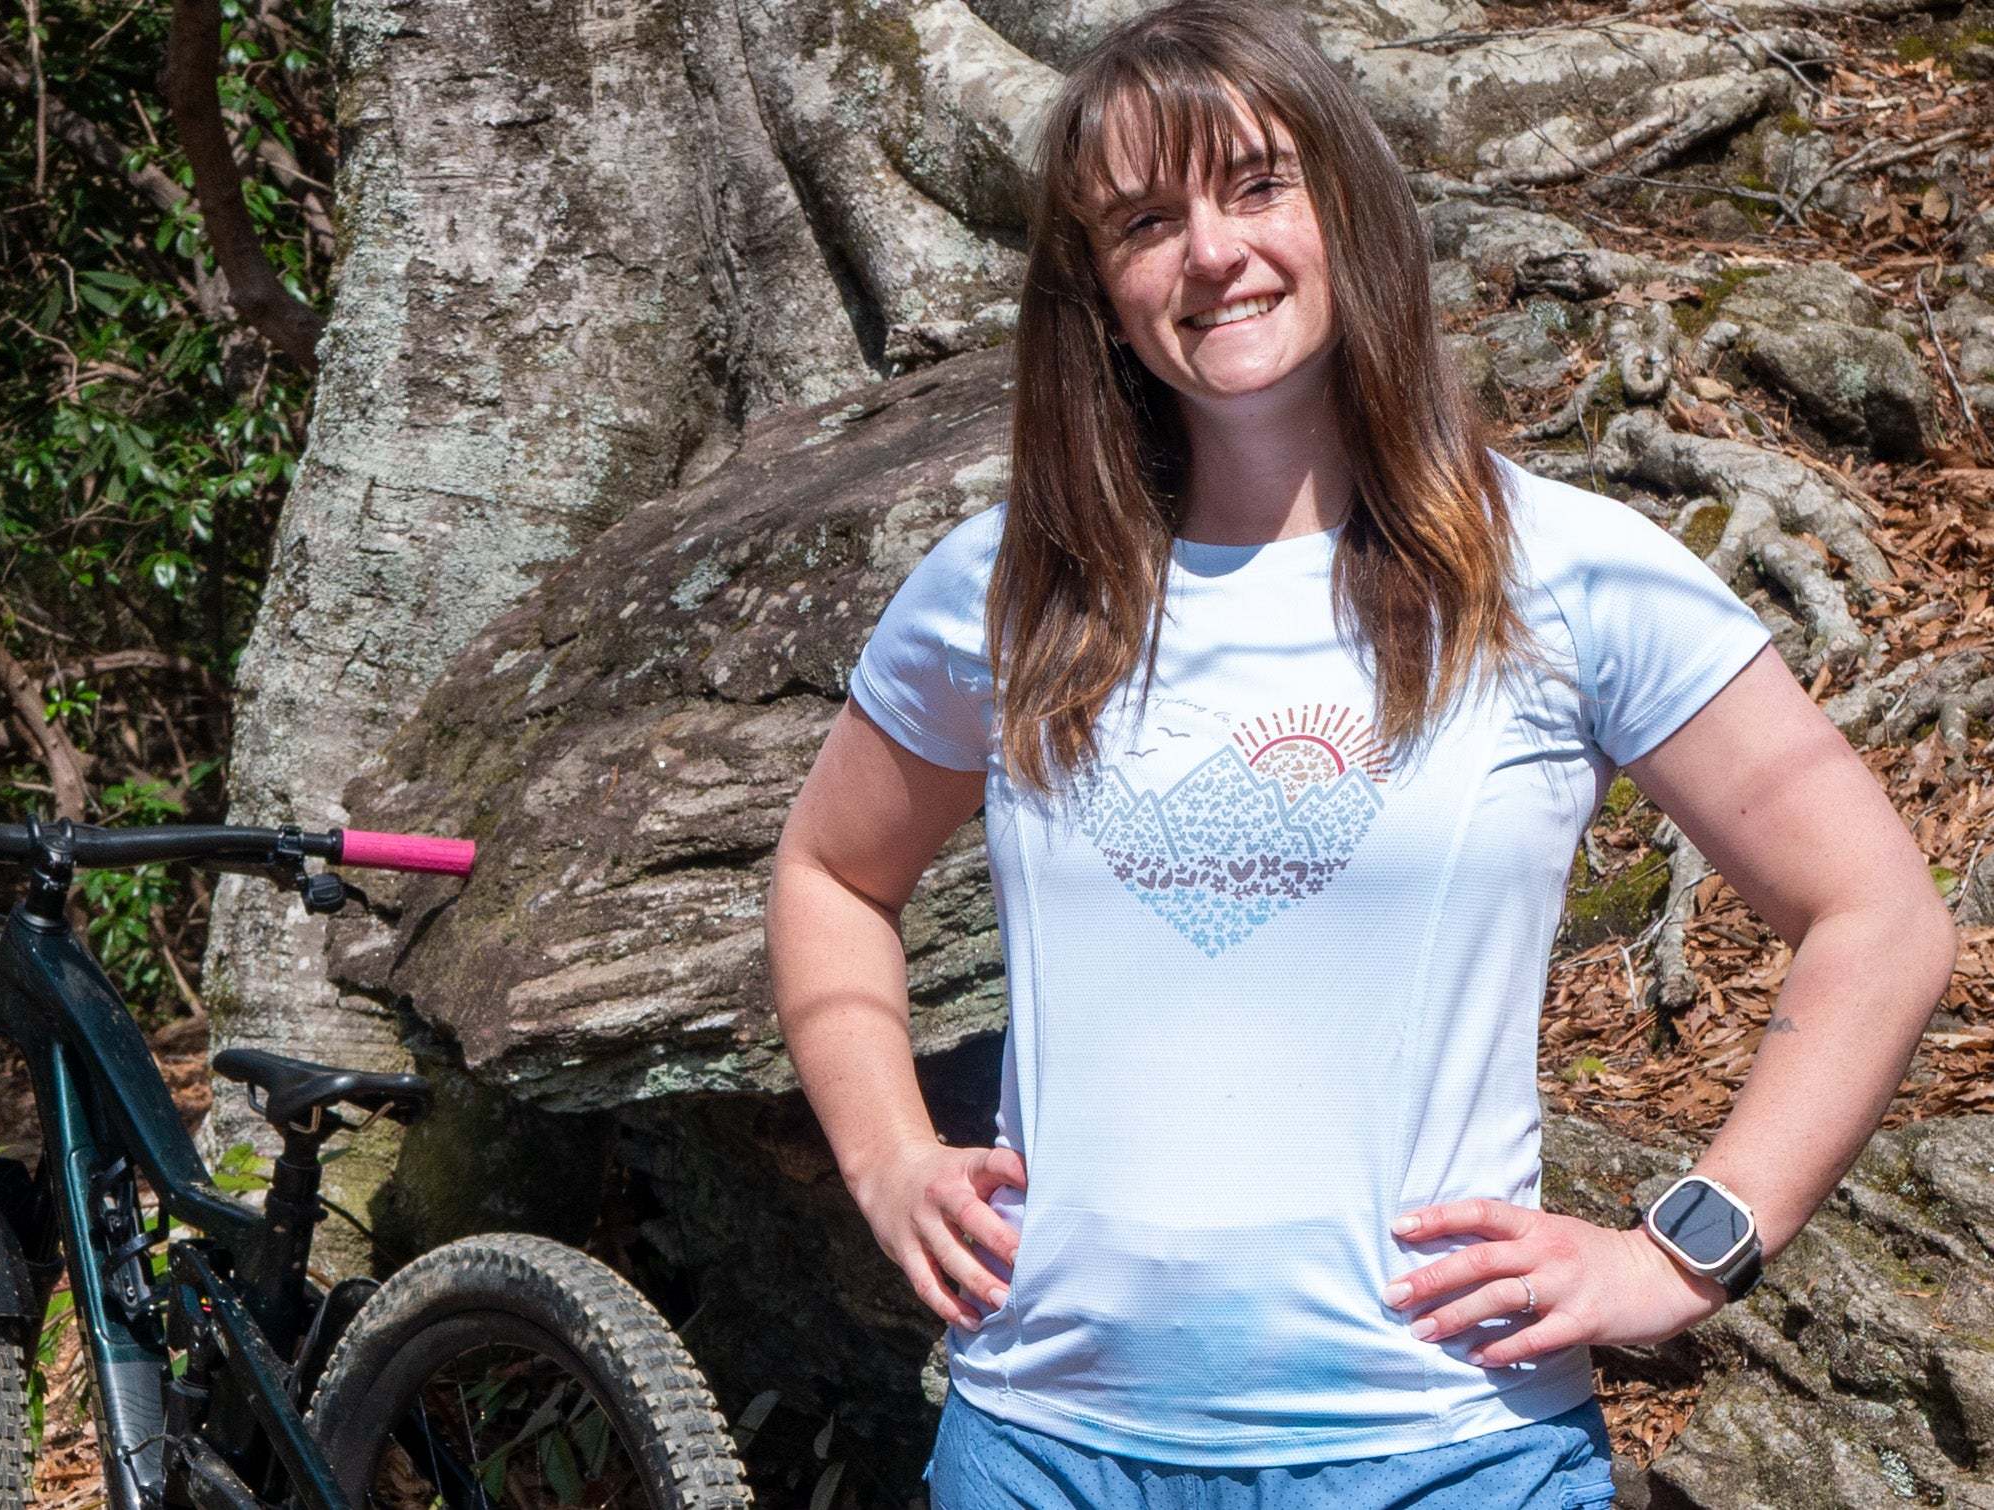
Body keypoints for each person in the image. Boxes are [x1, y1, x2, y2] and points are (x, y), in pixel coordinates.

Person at [762, 2, 1959, 1504]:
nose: (1210, 250)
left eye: (1257, 184)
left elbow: (1880, 916)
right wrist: (888, 1163)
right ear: (1101, 291)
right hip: (1043, 1449)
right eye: (1145, 219)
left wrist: (1686, 1245)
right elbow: (827, 873)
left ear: (1348, 206)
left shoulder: (1567, 574)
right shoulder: (1009, 588)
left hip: (1440, 1452)